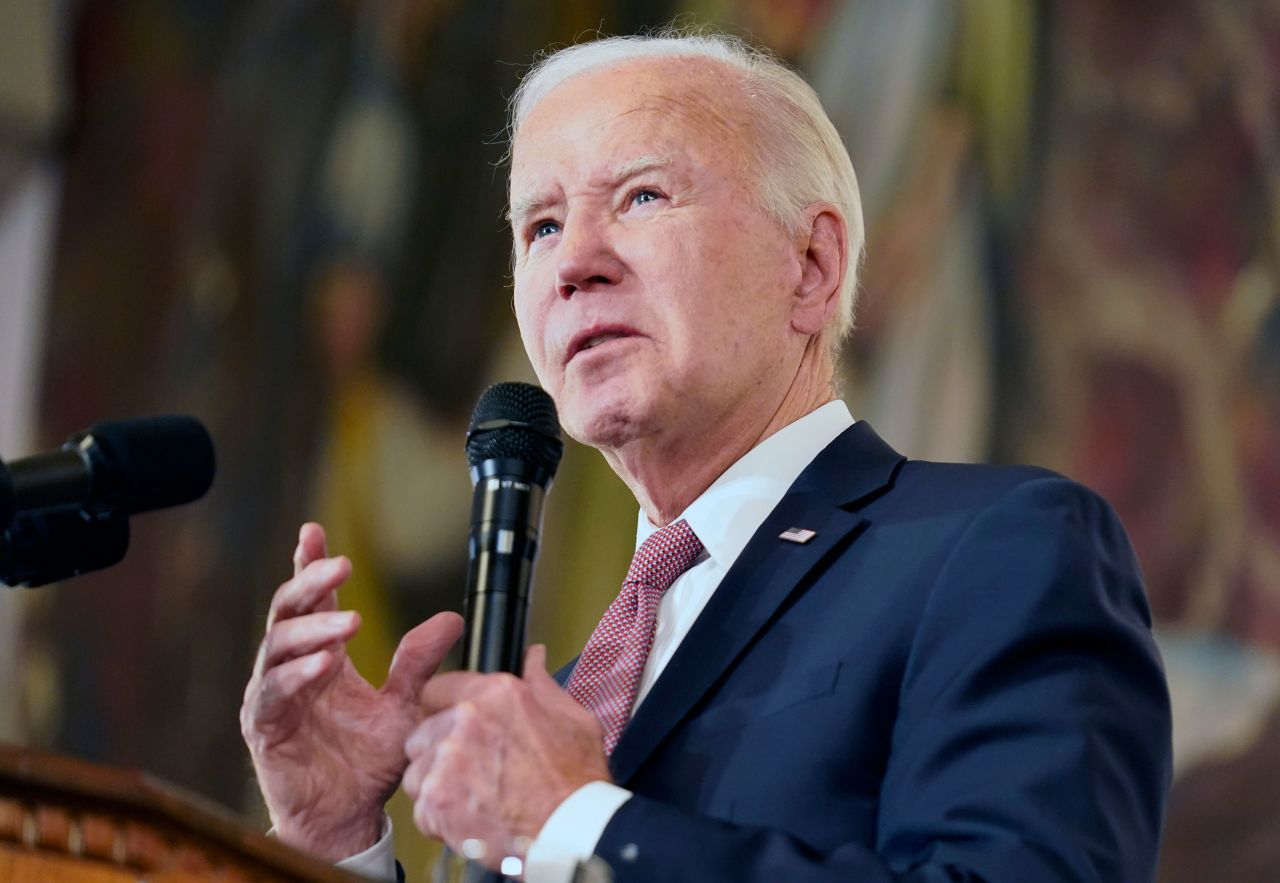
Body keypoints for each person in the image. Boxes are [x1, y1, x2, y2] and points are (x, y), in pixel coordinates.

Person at [240, 31, 1172, 883]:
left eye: (642, 195)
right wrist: (338, 842)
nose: (574, 263)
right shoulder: (566, 707)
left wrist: (582, 821)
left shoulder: (992, 553)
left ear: (810, 266)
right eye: (542, 226)